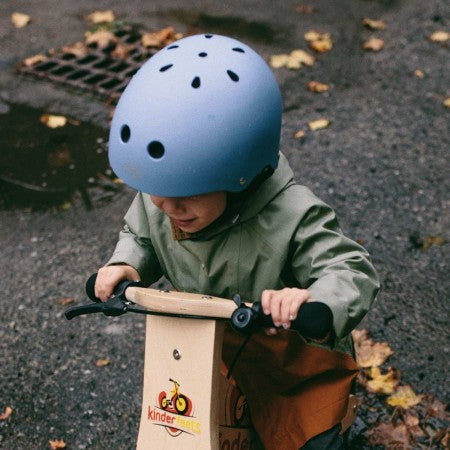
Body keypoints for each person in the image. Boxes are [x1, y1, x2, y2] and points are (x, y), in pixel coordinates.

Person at [95, 33, 380, 449]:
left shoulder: (293, 213)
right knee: (187, 430)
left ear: (242, 172)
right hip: (213, 355)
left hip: (290, 365)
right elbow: (141, 233)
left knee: (310, 438)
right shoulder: (163, 197)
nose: (167, 205)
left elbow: (350, 269)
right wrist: (128, 263)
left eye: (187, 193)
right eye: (157, 190)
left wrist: (313, 301)